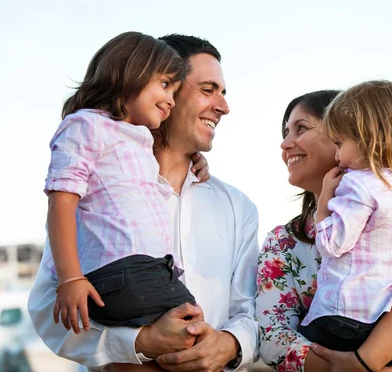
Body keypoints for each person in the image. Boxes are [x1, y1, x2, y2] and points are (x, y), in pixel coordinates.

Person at [29, 34, 260, 372]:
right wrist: (139, 343)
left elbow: (252, 311)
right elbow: (48, 308)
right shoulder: (100, 191)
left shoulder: (238, 209)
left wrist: (230, 344)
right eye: (208, 90)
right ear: (158, 84)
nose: (223, 106)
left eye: (223, 93)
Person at [255, 89, 392, 372]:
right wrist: (355, 369)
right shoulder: (282, 242)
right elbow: (272, 337)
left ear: (355, 132)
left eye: (300, 128)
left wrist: (367, 361)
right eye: (286, 132)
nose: (285, 144)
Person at [41, 32, 196, 349]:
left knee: (186, 338)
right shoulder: (86, 125)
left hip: (153, 269)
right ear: (130, 72)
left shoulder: (139, 141)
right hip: (124, 272)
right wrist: (71, 278)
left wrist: (195, 163)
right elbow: (61, 203)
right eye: (165, 85)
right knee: (193, 331)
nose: (171, 99)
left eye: (176, 91)